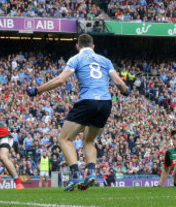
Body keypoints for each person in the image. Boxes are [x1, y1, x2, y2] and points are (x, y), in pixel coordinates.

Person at [36, 34, 128, 191]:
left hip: (87, 101)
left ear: (77, 46)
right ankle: (91, 173)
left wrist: (38, 90)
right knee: (88, 140)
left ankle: (76, 175)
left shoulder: (76, 58)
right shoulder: (105, 60)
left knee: (65, 139)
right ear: (93, 47)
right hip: (106, 103)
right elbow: (119, 82)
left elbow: (60, 80)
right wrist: (126, 90)